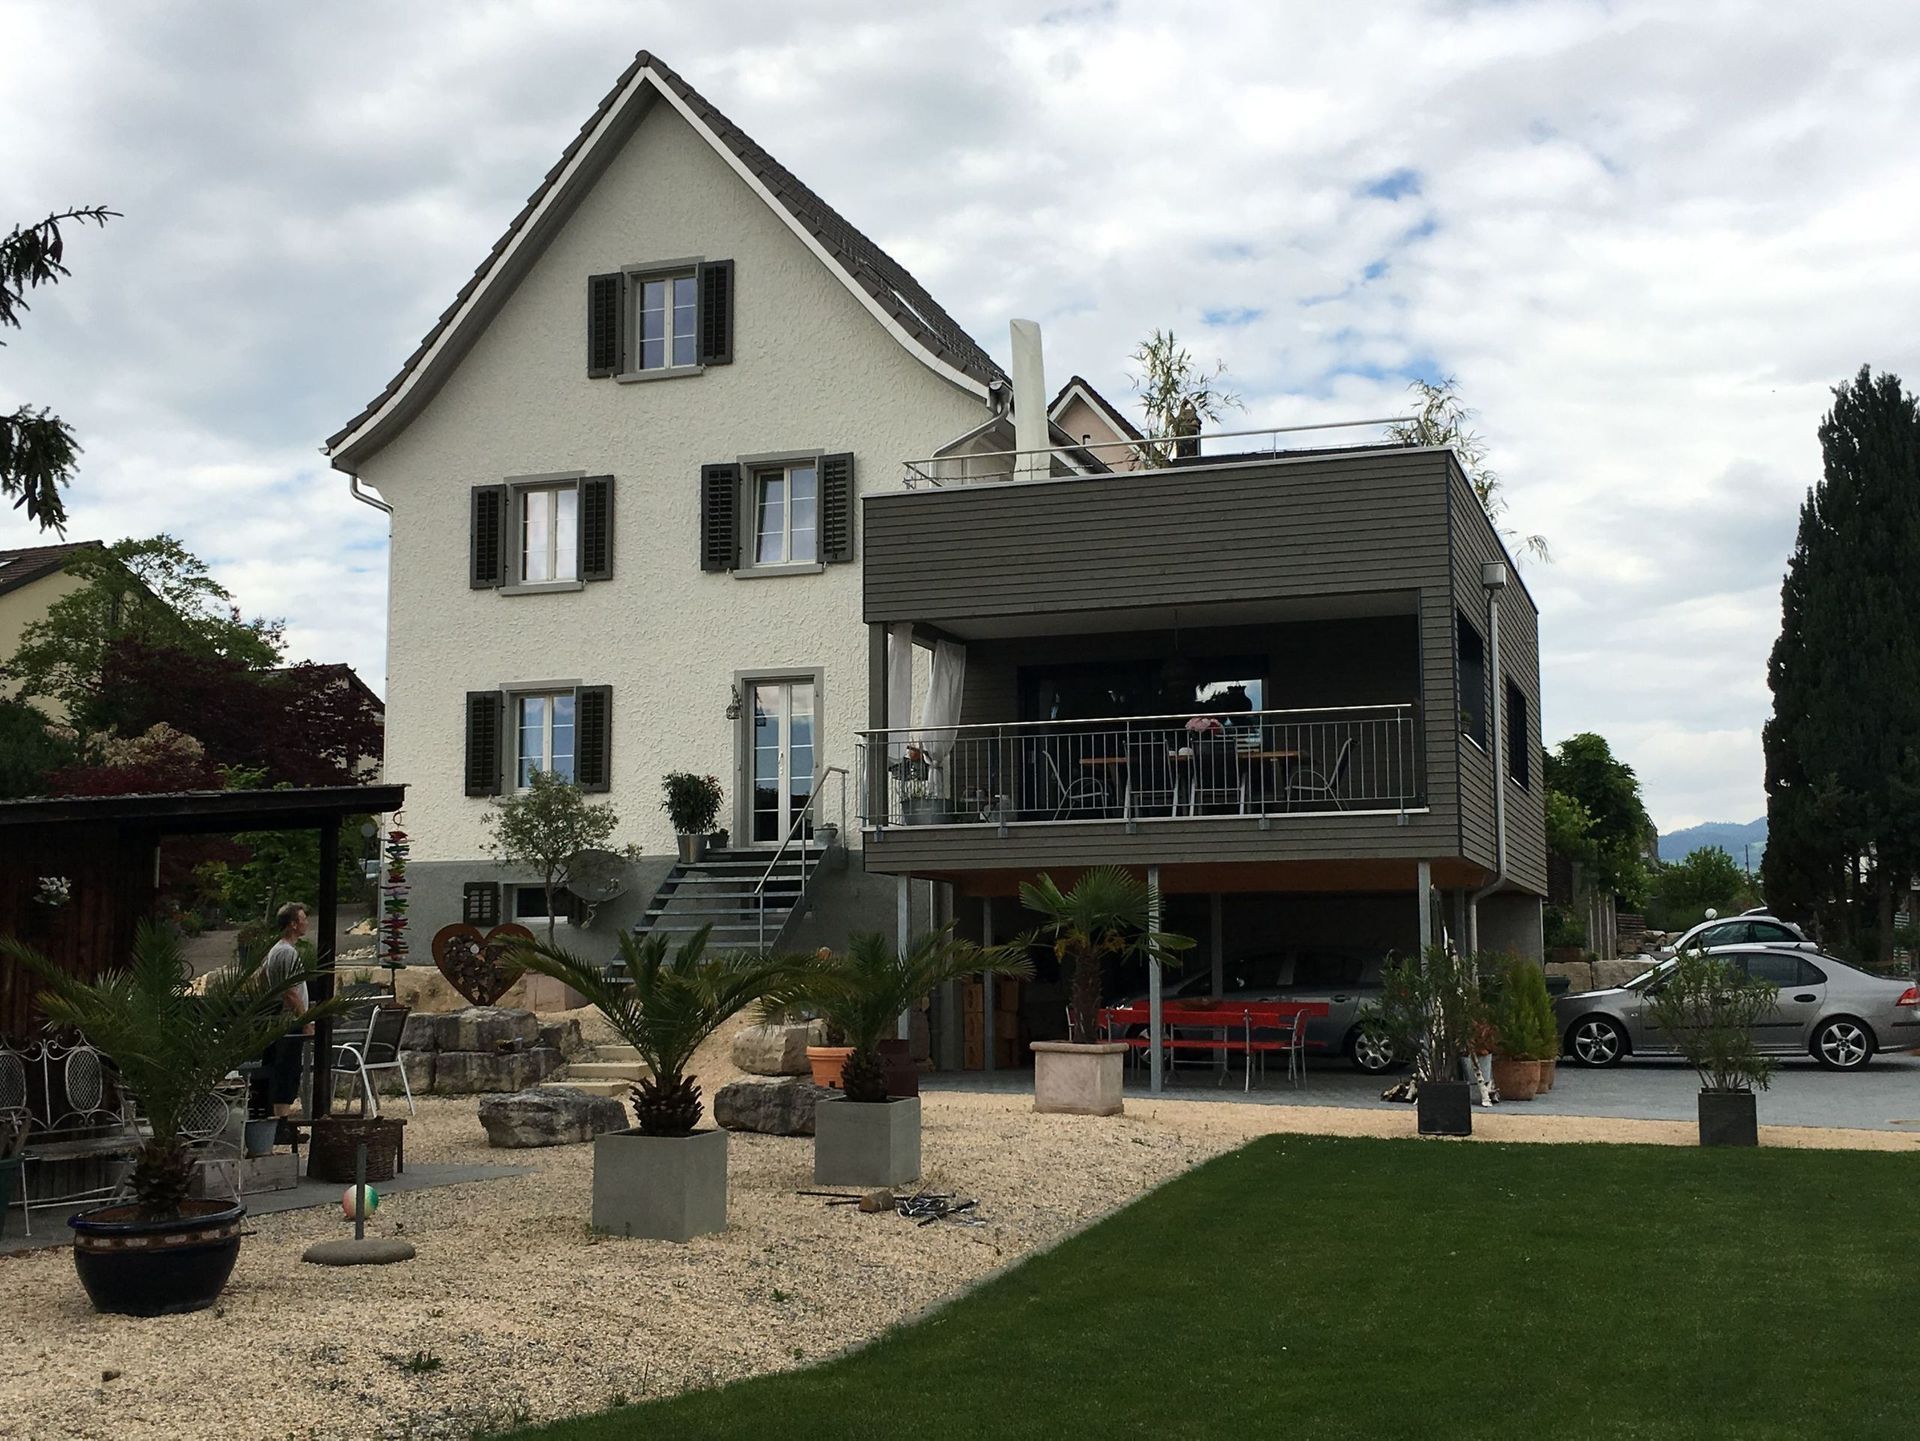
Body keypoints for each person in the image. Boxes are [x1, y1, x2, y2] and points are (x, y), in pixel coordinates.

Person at [260, 901, 313, 1119]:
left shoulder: (275, 951)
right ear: (292, 924)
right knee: (287, 1070)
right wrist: (306, 1020)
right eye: (303, 919)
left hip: (280, 1018)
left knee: (282, 1069)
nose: (306, 923)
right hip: (289, 1021)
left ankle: (278, 1119)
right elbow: (290, 991)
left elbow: (262, 976)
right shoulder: (286, 953)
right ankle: (280, 1121)